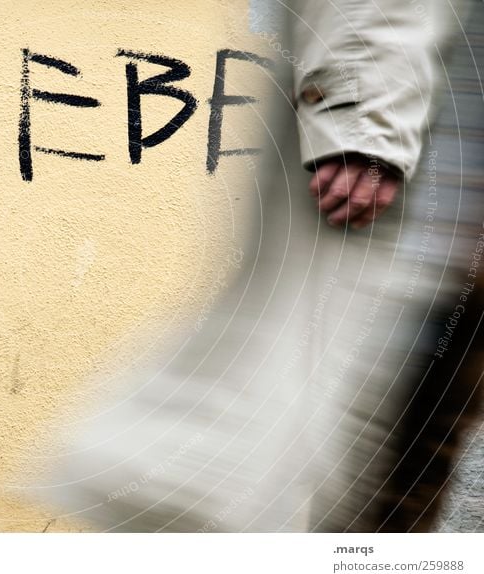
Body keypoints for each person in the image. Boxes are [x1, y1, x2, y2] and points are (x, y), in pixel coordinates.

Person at [34, 0, 480, 532]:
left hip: (451, 218)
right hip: (410, 195)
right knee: (361, 440)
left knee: (412, 444)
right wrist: (364, 125)